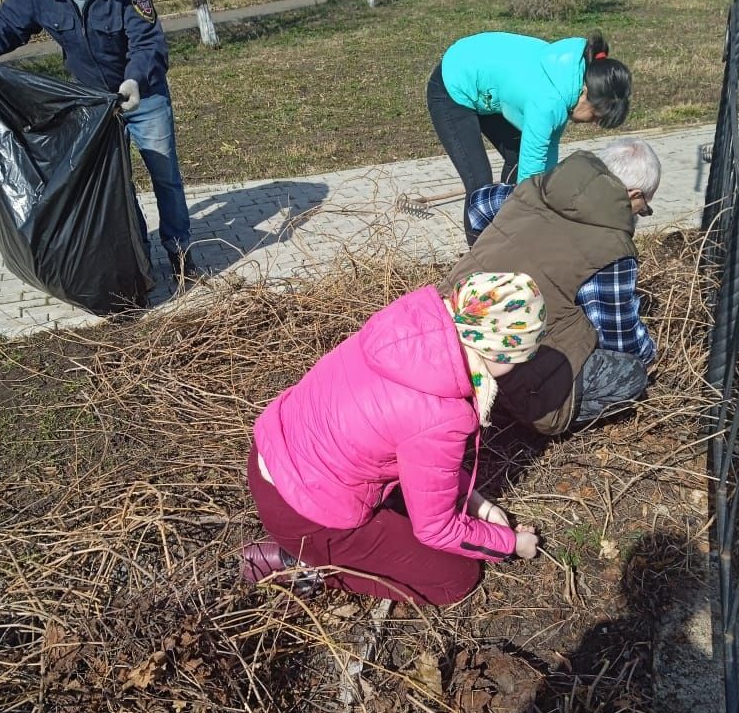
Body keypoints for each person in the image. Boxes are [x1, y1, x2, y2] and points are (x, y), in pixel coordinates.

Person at [243, 272, 548, 606]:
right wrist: (510, 543)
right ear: (499, 352)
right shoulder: (442, 414)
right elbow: (436, 528)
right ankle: (300, 565)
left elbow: (415, 453)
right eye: (523, 357)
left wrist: (478, 504)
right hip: (306, 516)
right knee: (455, 578)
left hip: (272, 458)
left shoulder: (408, 331)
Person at [0, 0, 197, 281]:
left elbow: (148, 41)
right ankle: (138, 258)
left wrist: (134, 79)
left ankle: (180, 252)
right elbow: (7, 26)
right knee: (116, 184)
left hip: (143, 94)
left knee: (165, 176)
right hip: (95, 105)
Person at [439, 139, 661, 437]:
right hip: (507, 367)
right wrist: (650, 356)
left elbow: (479, 202)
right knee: (631, 375)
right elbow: (618, 339)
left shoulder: (537, 187)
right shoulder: (613, 249)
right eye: (642, 208)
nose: (637, 215)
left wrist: (496, 254)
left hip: (445, 321)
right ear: (633, 195)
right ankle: (513, 409)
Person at [426, 30, 632, 244]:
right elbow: (529, 181)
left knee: (516, 157)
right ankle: (480, 261)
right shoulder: (548, 101)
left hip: (486, 87)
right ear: (586, 92)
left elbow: (546, 154)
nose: (593, 124)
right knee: (480, 184)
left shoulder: (568, 82)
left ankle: (503, 234)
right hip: (453, 83)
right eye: (596, 117)